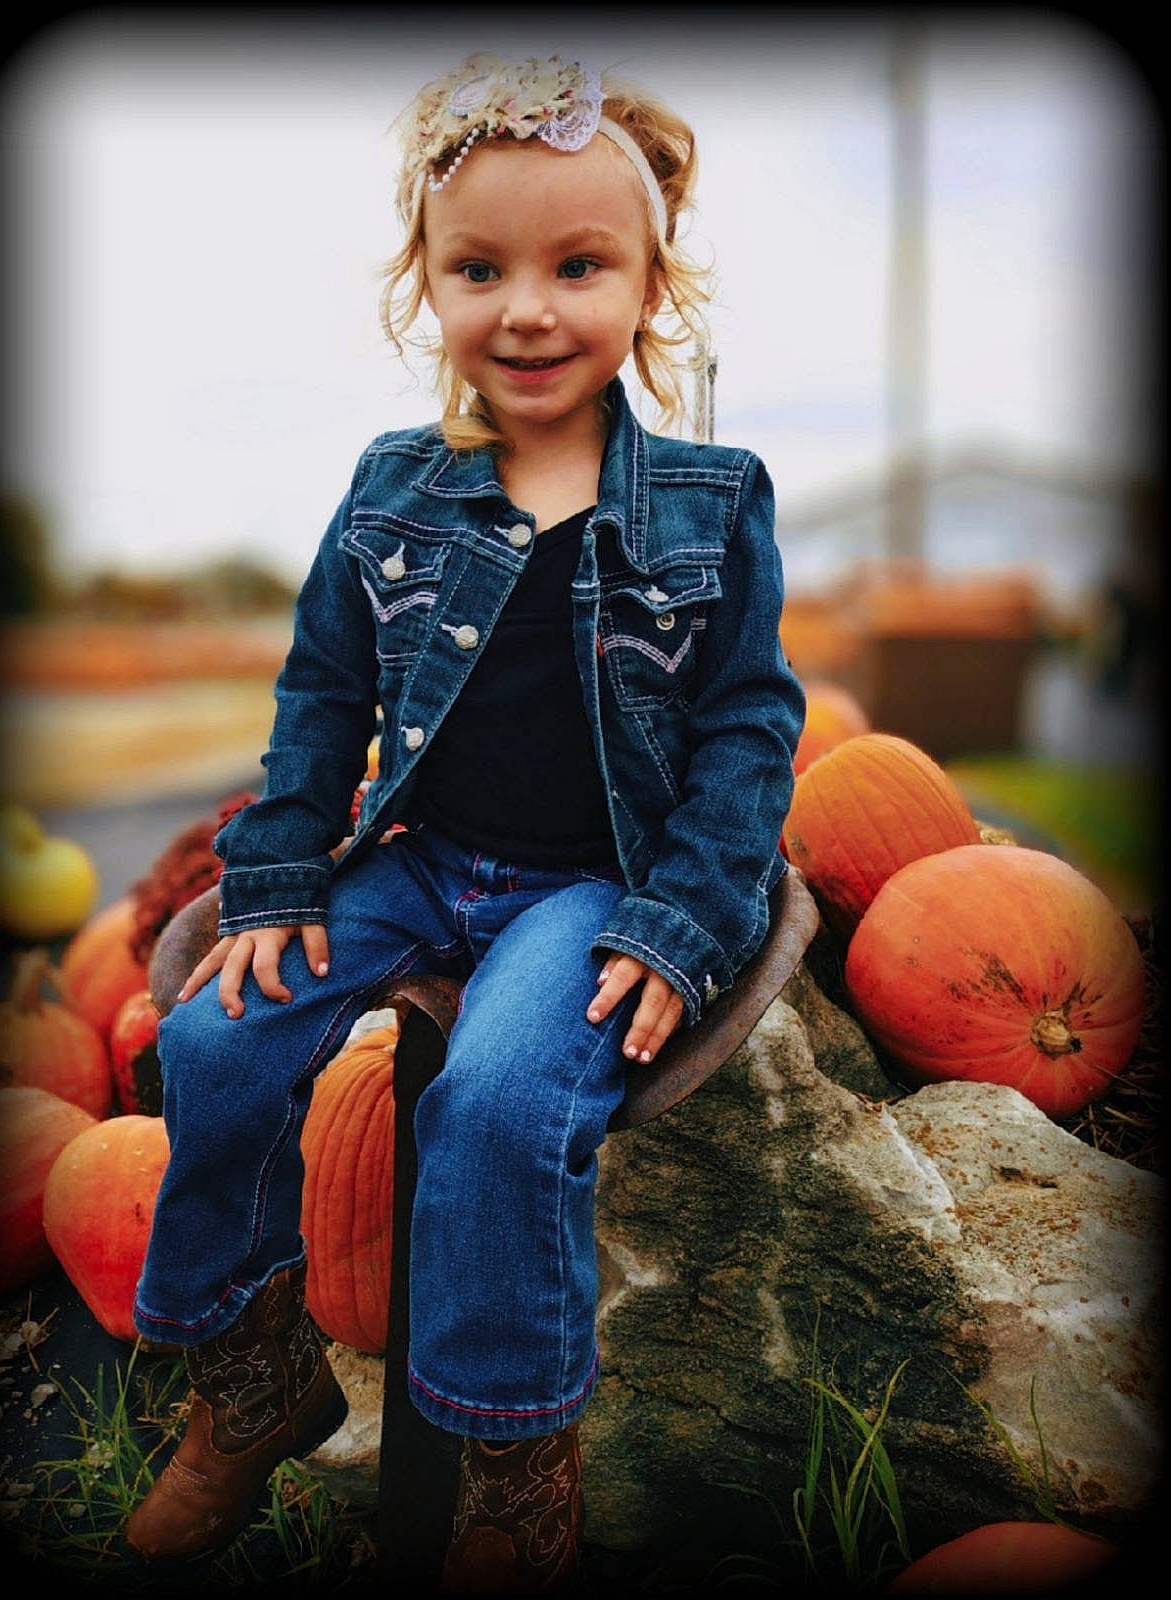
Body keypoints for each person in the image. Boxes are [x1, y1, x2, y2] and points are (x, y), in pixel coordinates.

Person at [124, 50, 804, 1590]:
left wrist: (684, 917)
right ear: (425, 284)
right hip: (419, 858)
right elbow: (321, 691)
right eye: (480, 267)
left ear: (650, 283)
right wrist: (284, 871)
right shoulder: (392, 491)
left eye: (580, 265)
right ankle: (252, 1377)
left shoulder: (710, 495)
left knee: (498, 1097)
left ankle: (513, 1476)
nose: (529, 306)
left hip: (595, 883)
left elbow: (753, 723)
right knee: (218, 1035)